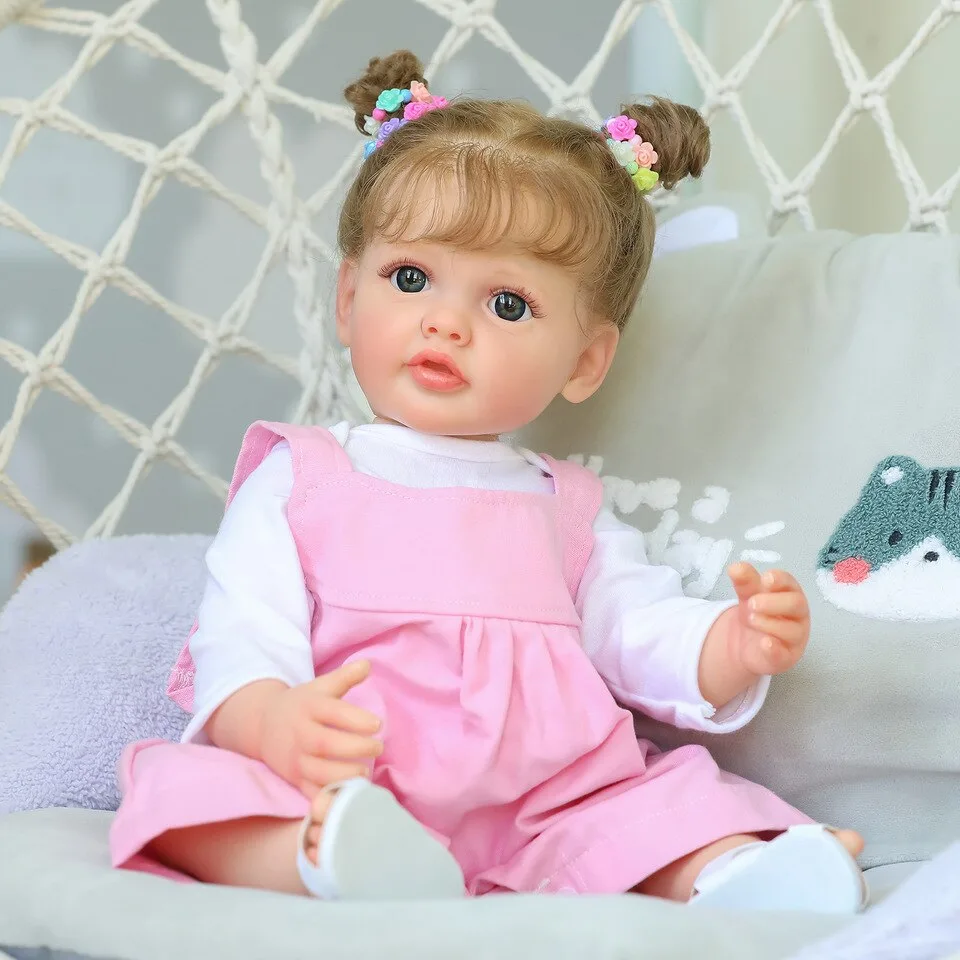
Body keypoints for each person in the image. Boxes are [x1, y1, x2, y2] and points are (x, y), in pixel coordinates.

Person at [109, 50, 866, 912]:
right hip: (354, 778)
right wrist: (272, 720)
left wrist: (730, 646)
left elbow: (635, 628)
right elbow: (244, 630)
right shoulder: (303, 476)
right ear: (348, 299)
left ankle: (739, 874)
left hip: (546, 801)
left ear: (584, 361)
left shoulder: (565, 507)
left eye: (507, 304)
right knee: (184, 798)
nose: (444, 322)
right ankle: (329, 861)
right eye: (410, 278)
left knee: (663, 805)